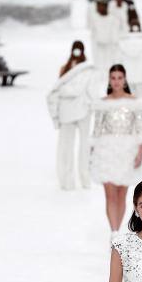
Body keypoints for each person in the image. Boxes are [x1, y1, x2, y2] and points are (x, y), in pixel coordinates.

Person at [90, 64, 142, 231]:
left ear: (125, 80)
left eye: (119, 78)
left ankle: (117, 229)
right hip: (105, 151)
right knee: (109, 195)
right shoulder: (102, 104)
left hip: (127, 151)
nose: (116, 81)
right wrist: (93, 152)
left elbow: (141, 128)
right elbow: (97, 129)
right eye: (113, 78)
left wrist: (140, 152)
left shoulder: (134, 103)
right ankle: (114, 232)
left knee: (121, 194)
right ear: (109, 80)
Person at [46, 41, 99, 190]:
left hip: (76, 110)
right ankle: (69, 180)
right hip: (73, 111)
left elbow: (60, 89)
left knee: (80, 146)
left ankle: (83, 179)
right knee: (67, 147)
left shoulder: (87, 70)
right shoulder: (69, 69)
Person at [116, 13, 142, 97]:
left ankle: (132, 109)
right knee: (140, 97)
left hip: (128, 75)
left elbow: (117, 61)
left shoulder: (122, 43)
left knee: (130, 97)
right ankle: (139, 109)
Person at [88, 0, 120, 72]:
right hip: (98, 47)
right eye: (98, 6)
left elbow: (114, 34)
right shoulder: (94, 19)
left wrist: (114, 45)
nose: (99, 8)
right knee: (99, 67)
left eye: (102, 6)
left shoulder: (112, 19)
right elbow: (93, 34)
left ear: (106, 7)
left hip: (109, 48)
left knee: (109, 67)